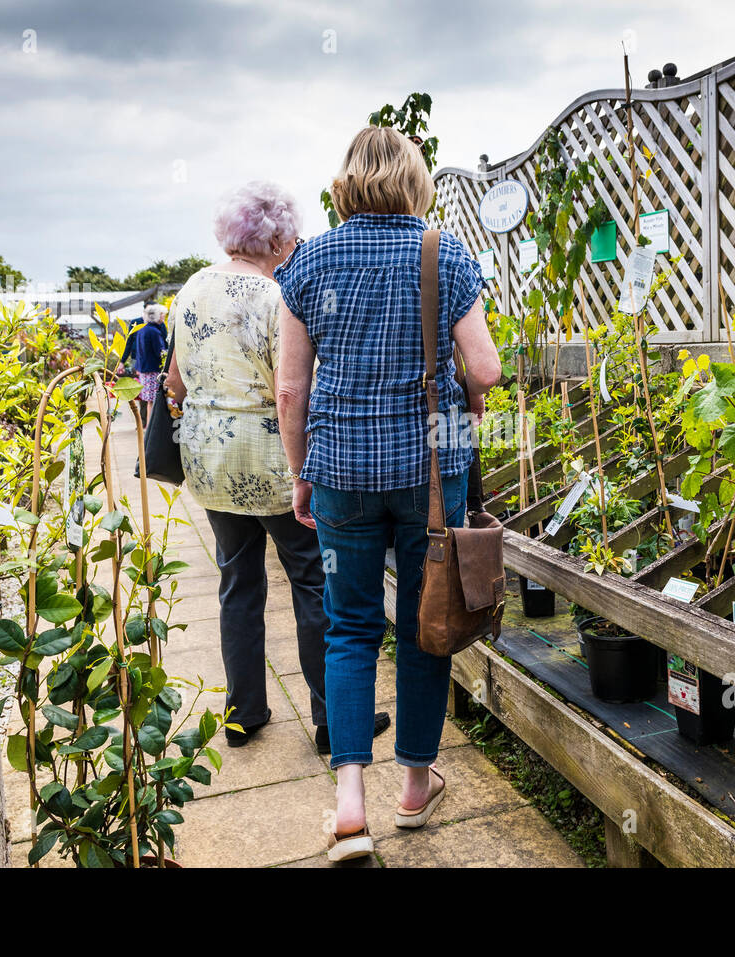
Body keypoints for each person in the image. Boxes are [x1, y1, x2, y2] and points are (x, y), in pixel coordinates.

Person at [276, 127, 501, 862]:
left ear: (346, 183)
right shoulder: (444, 252)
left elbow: (289, 388)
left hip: (341, 472)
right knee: (426, 621)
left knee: (348, 627)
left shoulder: (308, 261)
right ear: (414, 180)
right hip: (432, 476)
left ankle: (348, 804)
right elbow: (487, 368)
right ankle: (412, 787)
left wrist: (301, 471)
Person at [163, 180, 390, 753]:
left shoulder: (190, 289)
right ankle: (331, 719)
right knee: (313, 583)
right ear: (277, 239)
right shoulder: (274, 296)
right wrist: (302, 470)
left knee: (237, 583)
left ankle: (243, 714)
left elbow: (175, 382)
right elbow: (291, 390)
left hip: (209, 460)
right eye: (290, 236)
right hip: (269, 462)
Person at [121, 303, 168, 426]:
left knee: (149, 401)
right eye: (162, 314)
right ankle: (152, 427)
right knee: (153, 400)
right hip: (152, 369)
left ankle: (148, 426)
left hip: (144, 369)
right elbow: (160, 352)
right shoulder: (153, 331)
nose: (163, 317)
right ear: (157, 316)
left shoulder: (143, 329)